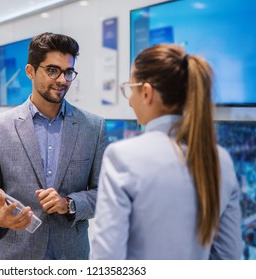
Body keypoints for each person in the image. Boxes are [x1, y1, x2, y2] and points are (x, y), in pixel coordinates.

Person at [91, 44, 242, 260]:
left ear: (146, 92)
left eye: (130, 88)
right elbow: (229, 257)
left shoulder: (122, 156)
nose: (130, 100)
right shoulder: (220, 160)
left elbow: (106, 261)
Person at [0, 32, 108, 260]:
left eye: (68, 72)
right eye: (53, 70)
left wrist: (70, 204)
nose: (63, 80)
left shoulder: (93, 127)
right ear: (30, 71)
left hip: (69, 256)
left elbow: (103, 193)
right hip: (13, 256)